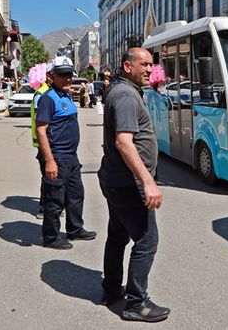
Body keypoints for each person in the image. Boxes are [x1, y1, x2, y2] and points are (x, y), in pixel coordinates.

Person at [98, 48, 170, 322]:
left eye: (152, 64)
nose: (150, 69)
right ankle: (136, 303)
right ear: (127, 66)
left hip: (116, 179)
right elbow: (124, 142)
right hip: (127, 182)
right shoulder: (126, 95)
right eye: (144, 64)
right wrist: (148, 181)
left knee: (117, 236)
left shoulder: (121, 90)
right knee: (147, 240)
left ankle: (112, 289)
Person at [35, 55, 97, 249]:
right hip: (58, 157)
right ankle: (51, 237)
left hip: (71, 157)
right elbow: (41, 130)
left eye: (69, 74)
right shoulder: (47, 98)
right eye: (62, 75)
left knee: (76, 194)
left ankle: (75, 229)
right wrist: (49, 161)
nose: (68, 78)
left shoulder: (66, 95)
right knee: (55, 201)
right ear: (51, 76)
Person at [31, 63, 53, 219]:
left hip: (47, 141)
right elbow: (40, 120)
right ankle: (44, 207)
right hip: (44, 142)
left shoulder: (45, 92)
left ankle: (52, 205)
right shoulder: (43, 94)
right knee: (48, 176)